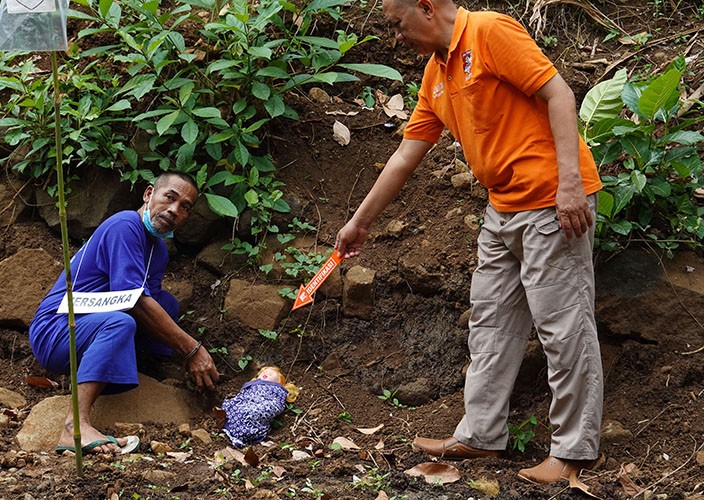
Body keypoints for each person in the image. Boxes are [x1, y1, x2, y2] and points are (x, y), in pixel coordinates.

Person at [334, 0, 603, 485]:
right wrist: (360, 223)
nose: (396, 38)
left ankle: (573, 452)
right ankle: (480, 434)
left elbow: (559, 94)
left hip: (549, 199)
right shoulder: (435, 73)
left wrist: (570, 185)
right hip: (502, 207)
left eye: (397, 25)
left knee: (564, 327)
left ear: (425, 7)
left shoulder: (488, 32)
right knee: (491, 320)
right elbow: (404, 156)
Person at [29, 172, 219, 455]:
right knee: (121, 322)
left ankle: (132, 372)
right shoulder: (125, 225)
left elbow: (149, 305)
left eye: (185, 207)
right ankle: (74, 427)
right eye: (170, 197)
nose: (174, 211)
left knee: (166, 304)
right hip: (57, 329)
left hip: (89, 326)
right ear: (148, 194)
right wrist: (192, 350)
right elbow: (134, 301)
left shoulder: (158, 250)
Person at [221, 366, 299, 448]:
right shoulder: (251, 385)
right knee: (230, 404)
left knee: (253, 413)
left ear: (280, 382)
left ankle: (242, 432)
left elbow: (276, 404)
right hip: (245, 403)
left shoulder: (278, 391)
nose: (266, 374)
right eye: (264, 372)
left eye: (270, 374)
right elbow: (243, 395)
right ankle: (232, 427)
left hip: (260, 406)